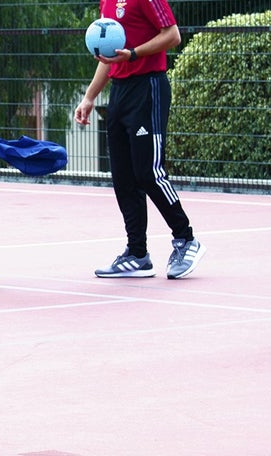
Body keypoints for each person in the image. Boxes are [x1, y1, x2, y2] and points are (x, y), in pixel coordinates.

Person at [74, 0, 206, 279]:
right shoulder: (107, 1)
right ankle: (137, 254)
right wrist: (89, 96)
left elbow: (173, 35)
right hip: (120, 92)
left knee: (149, 172)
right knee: (123, 177)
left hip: (149, 87)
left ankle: (186, 239)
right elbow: (109, 59)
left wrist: (133, 54)